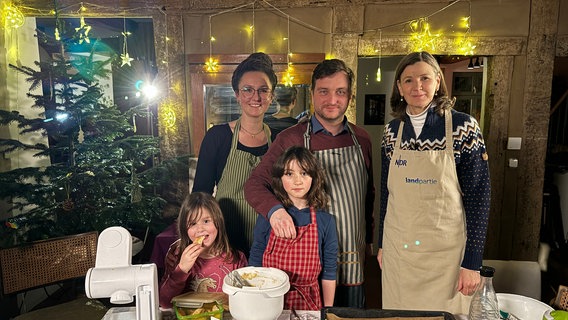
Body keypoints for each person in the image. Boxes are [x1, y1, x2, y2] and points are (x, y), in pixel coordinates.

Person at [245, 59, 375, 308]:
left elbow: (368, 194)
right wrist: (275, 212)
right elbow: (254, 184)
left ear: (350, 95)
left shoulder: (362, 139)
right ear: (313, 93)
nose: (332, 100)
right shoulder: (291, 137)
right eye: (323, 91)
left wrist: (369, 240)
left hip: (352, 261)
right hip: (307, 269)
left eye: (340, 92)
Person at [377, 51, 491, 315]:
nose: (417, 86)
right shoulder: (391, 132)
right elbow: (386, 192)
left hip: (446, 257)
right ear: (399, 87)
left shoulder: (464, 127)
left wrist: (472, 263)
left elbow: (479, 197)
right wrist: (382, 243)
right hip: (400, 252)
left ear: (438, 82)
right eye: (408, 80)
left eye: (425, 78)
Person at [192, 52, 278, 255]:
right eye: (247, 90)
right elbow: (201, 194)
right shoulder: (218, 136)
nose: (256, 97)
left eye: (263, 90)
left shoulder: (278, 140)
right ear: (237, 95)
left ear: (271, 96)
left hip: (268, 238)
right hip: (227, 239)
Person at [249, 145, 338, 310]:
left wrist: (328, 310)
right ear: (280, 178)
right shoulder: (268, 217)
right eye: (289, 174)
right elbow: (255, 260)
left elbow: (329, 272)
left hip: (309, 303)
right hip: (270, 300)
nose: (298, 181)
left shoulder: (326, 221)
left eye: (304, 173)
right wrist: (254, 301)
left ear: (314, 177)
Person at [159, 192, 247, 308]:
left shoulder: (236, 259)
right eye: (193, 223)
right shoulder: (176, 256)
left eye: (206, 221)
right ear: (184, 228)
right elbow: (164, 303)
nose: (200, 229)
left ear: (218, 223)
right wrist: (181, 269)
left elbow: (245, 299)